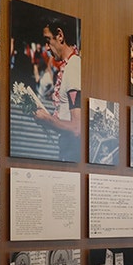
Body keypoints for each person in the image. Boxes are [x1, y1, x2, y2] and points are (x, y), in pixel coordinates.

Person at [32, 15, 82, 162]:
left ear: (60, 35)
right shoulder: (70, 65)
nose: (46, 47)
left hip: (71, 156)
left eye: (48, 40)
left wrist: (47, 119)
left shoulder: (73, 67)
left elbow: (76, 128)